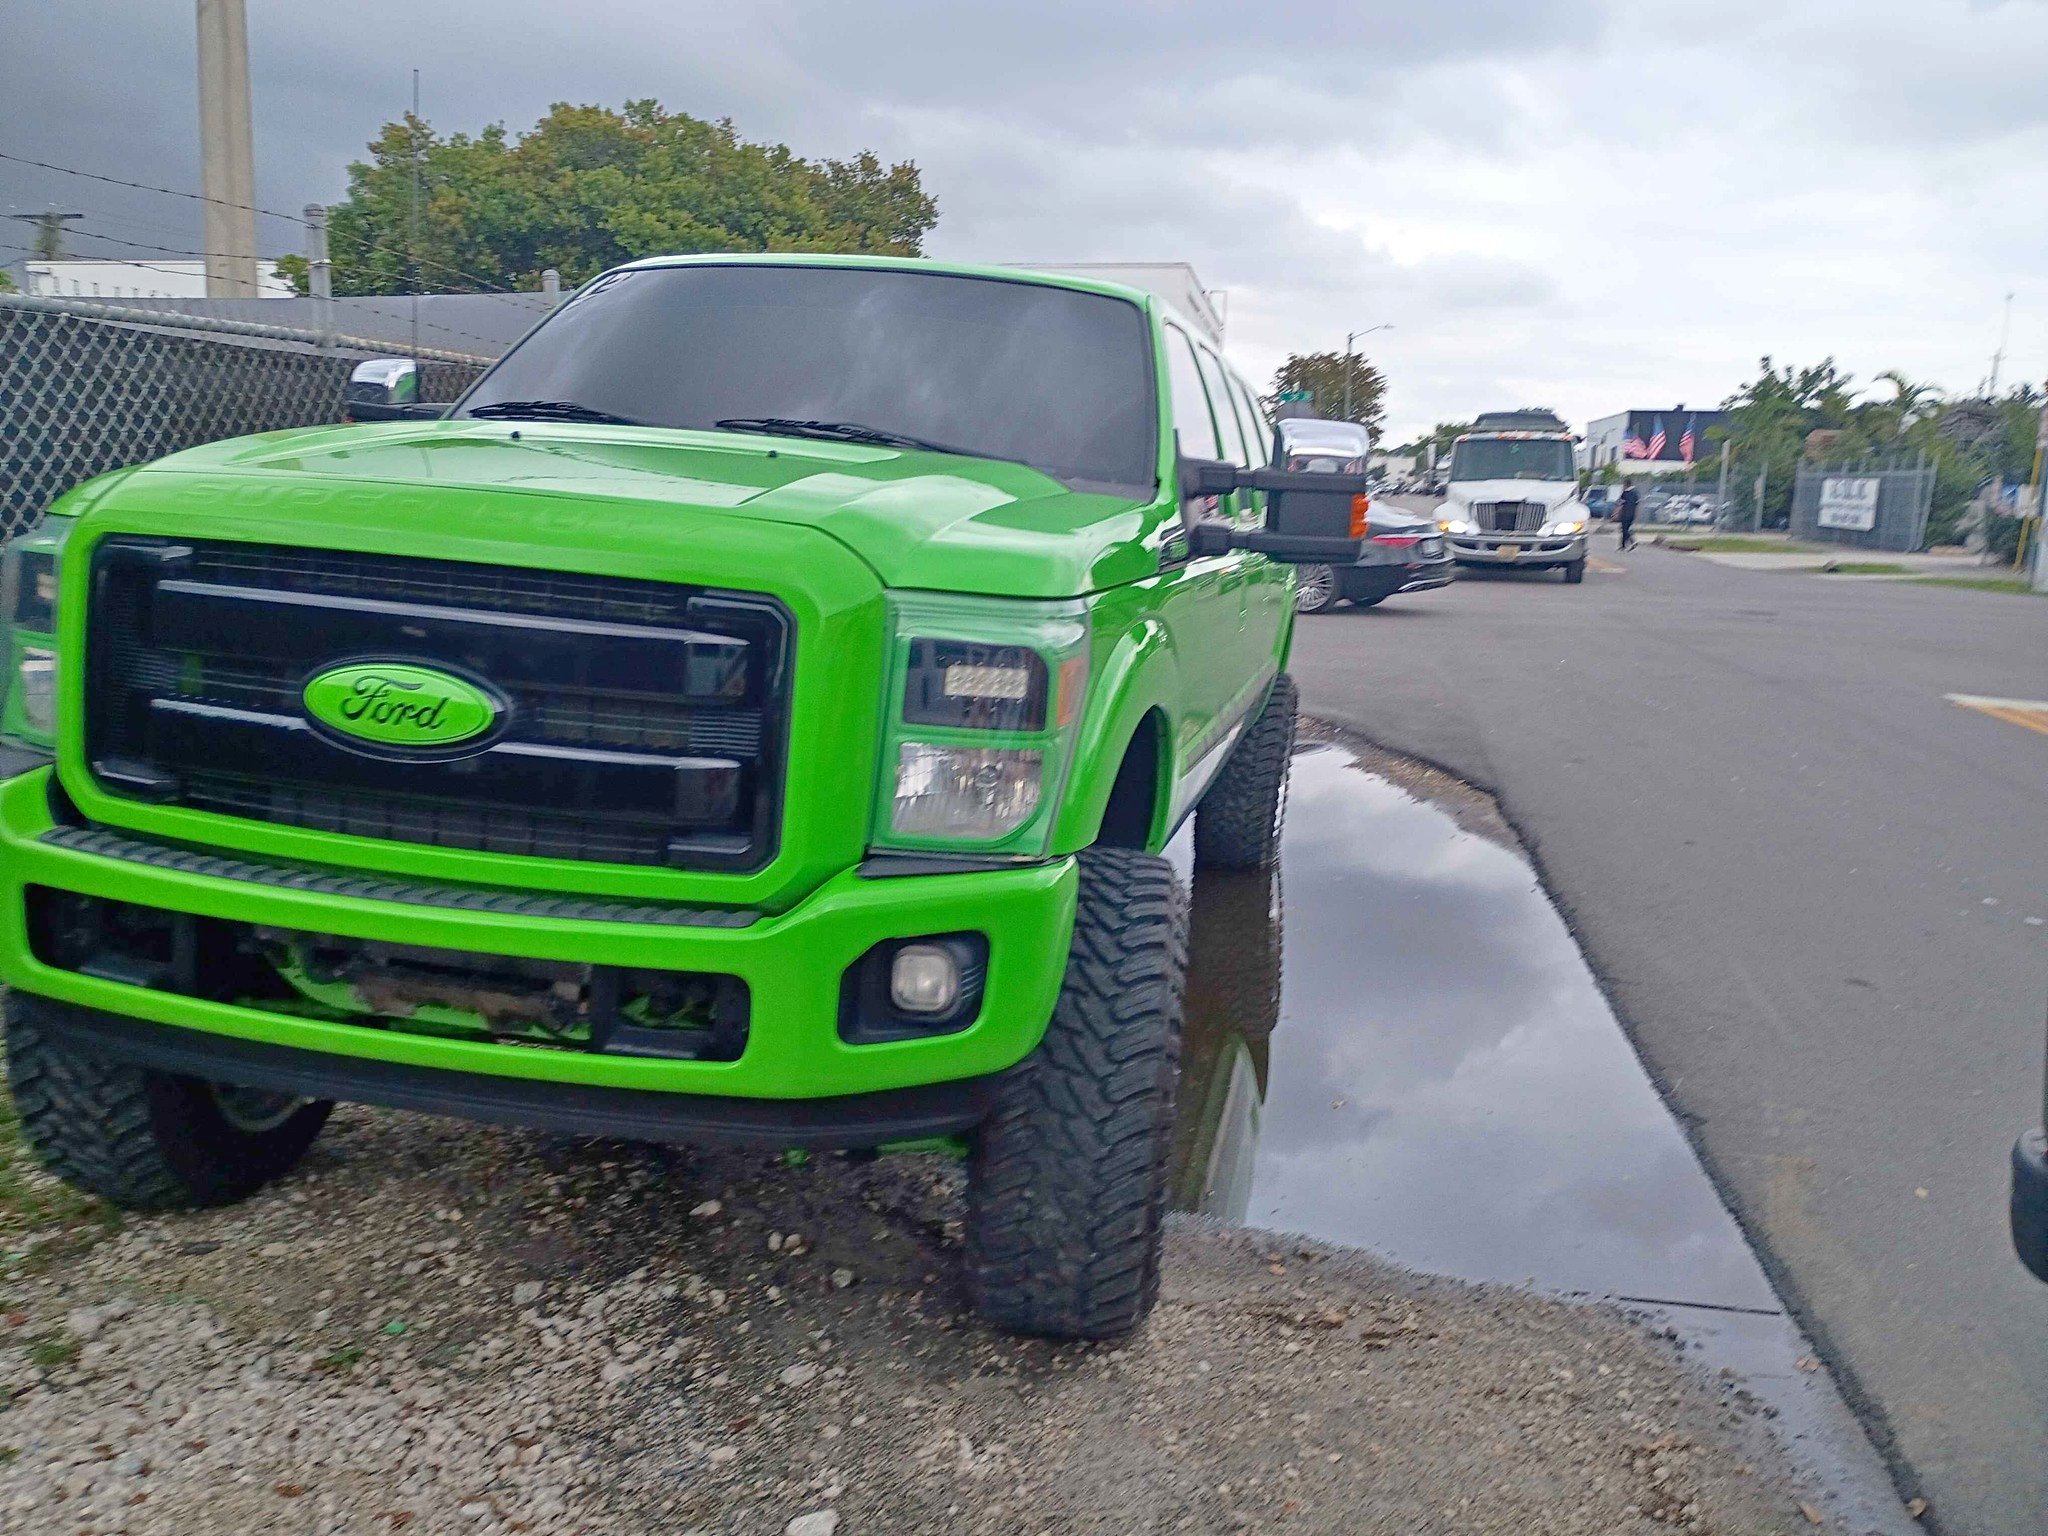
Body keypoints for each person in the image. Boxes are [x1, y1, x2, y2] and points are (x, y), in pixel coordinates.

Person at [1616, 482, 1640, 551]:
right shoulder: (1635, 493)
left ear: (1626, 485)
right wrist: (1637, 514)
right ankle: (1623, 545)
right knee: (1626, 529)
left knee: (1624, 530)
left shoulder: (1625, 493)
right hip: (1632, 514)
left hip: (1625, 513)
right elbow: (1637, 504)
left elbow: (1620, 504)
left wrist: (1616, 513)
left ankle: (1632, 542)